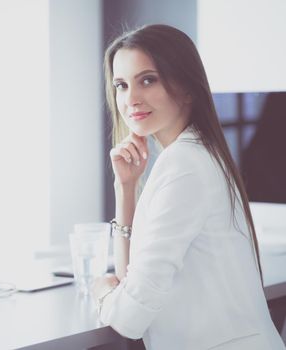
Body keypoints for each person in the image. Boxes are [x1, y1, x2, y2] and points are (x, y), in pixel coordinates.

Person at [92, 24, 285, 349]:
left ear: (187, 88)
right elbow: (133, 287)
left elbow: (129, 319)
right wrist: (125, 189)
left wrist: (103, 292)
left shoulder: (184, 167)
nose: (131, 99)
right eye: (121, 85)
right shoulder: (193, 155)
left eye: (147, 80)